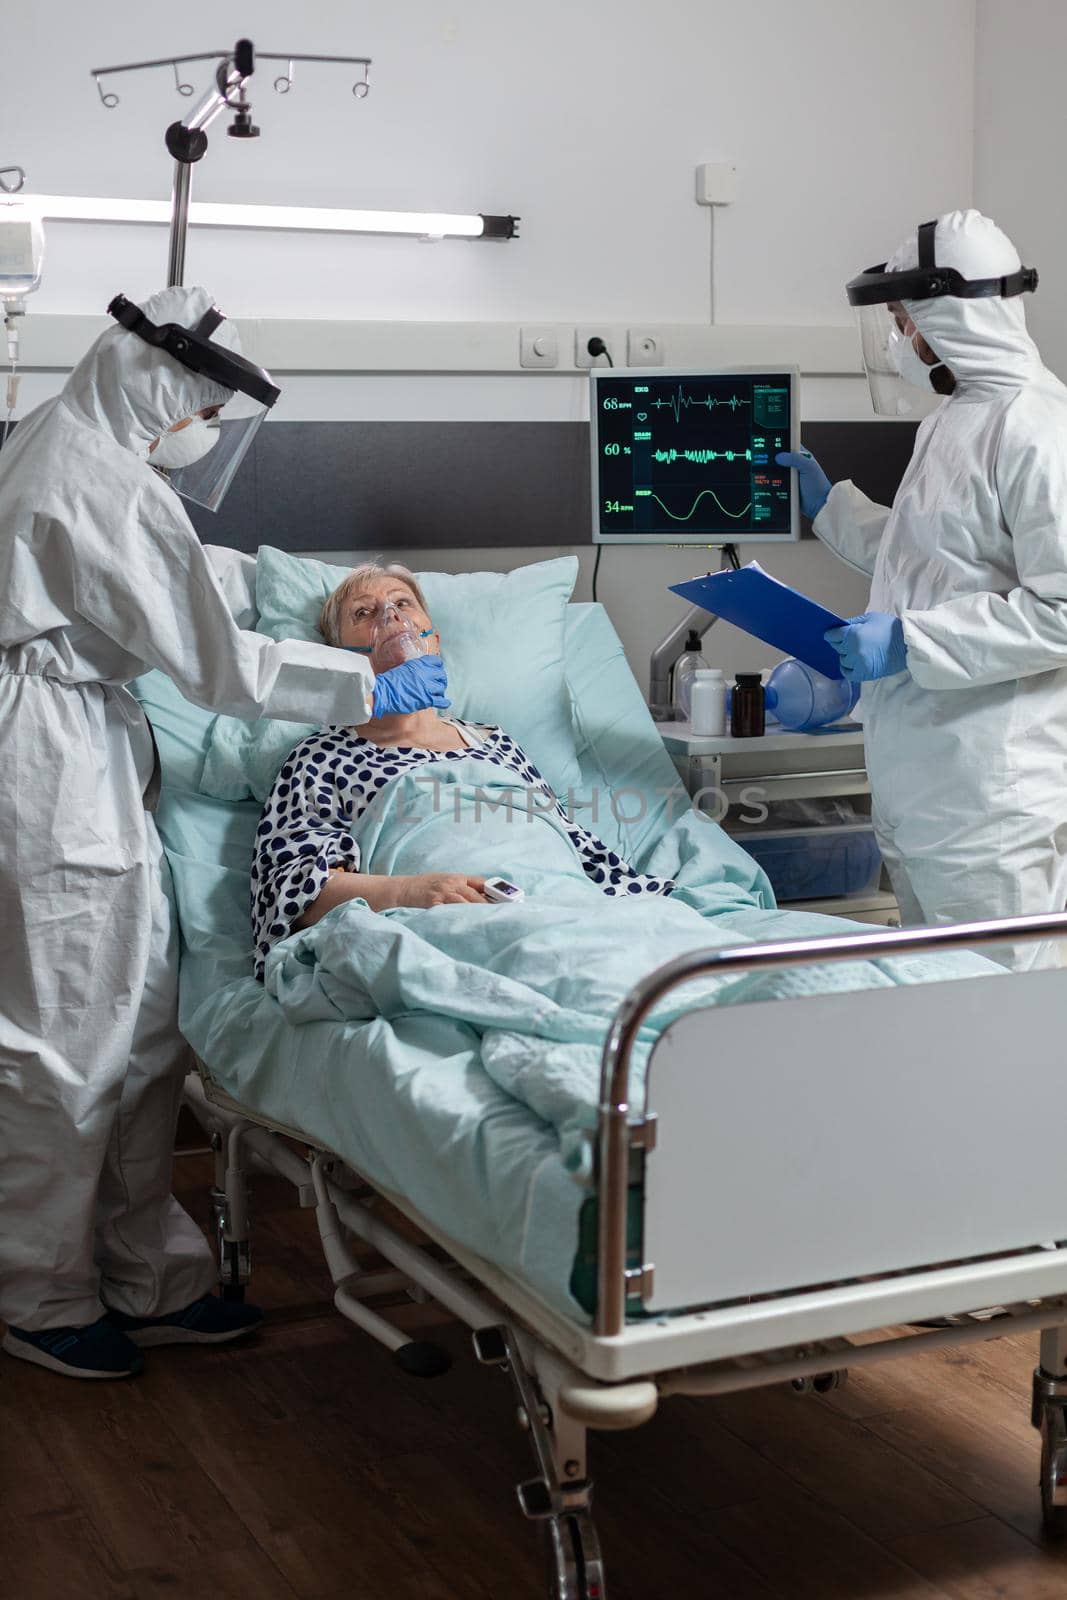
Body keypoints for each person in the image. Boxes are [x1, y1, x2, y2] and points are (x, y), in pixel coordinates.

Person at [0, 288, 448, 1379]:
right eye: (193, 407)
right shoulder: (94, 477)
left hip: (88, 747)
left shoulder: (70, 439)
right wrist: (369, 683)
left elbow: (180, 585)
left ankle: (149, 1274)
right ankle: (40, 1293)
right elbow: (218, 663)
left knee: (145, 1027)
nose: (192, 434)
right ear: (156, 383)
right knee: (67, 1037)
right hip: (48, 757)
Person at [776, 210, 1067, 949]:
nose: (901, 340)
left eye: (905, 321)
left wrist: (909, 640)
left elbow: (1060, 609)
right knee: (935, 1004)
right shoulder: (953, 419)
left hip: (989, 798)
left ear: (951, 314)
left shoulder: (1034, 429)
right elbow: (934, 561)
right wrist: (832, 508)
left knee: (1000, 1016)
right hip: (925, 788)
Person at [251, 562, 676, 976]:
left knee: (668, 958)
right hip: (450, 915)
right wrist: (410, 891)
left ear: (433, 638)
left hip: (566, 901)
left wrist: (645, 904)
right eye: (363, 613)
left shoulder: (496, 742)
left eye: (403, 602)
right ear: (338, 659)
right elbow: (293, 887)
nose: (390, 616)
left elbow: (570, 844)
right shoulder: (321, 757)